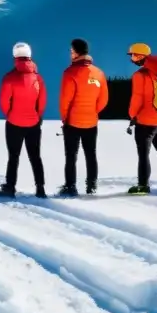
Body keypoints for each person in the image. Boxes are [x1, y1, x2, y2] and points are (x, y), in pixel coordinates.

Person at [58, 38, 108, 196]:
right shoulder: (99, 73)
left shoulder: (70, 73)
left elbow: (65, 100)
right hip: (91, 122)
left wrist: (65, 118)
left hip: (73, 122)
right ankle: (91, 186)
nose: (70, 54)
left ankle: (70, 186)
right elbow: (104, 99)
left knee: (71, 156)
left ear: (75, 52)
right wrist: (93, 112)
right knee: (91, 154)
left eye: (71, 51)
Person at [0, 42, 47, 198]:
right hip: (33, 123)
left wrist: (11, 114)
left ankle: (10, 188)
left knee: (13, 157)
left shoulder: (9, 78)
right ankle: (40, 188)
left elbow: (4, 102)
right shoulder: (38, 78)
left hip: (14, 123)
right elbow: (42, 101)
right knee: (35, 156)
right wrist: (36, 116)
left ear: (15, 57)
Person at [128, 51, 157, 194]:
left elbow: (137, 98)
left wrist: (132, 115)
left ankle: (143, 185)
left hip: (145, 121)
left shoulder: (140, 75)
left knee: (143, 154)